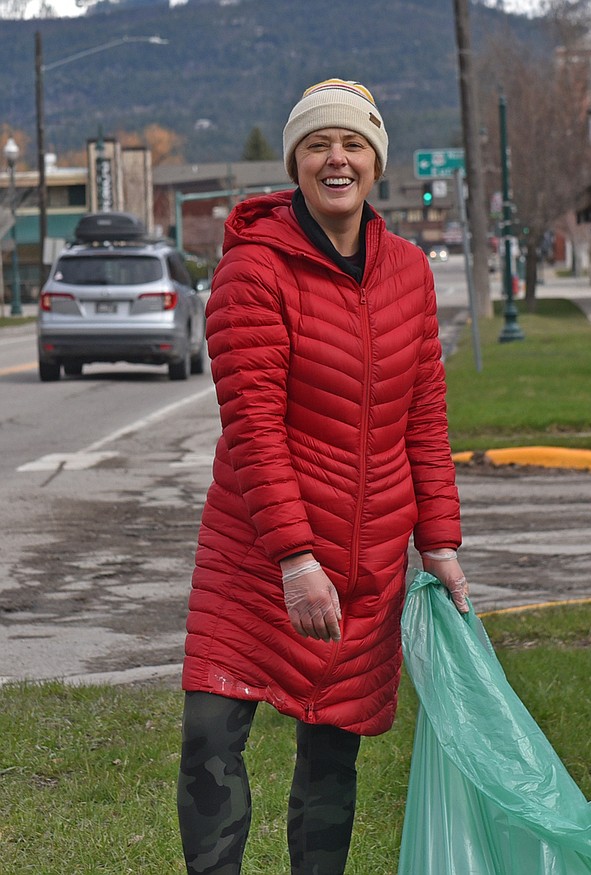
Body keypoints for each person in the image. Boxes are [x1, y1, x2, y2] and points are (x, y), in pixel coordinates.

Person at [176, 78, 469, 875]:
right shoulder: (254, 272)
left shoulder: (409, 270)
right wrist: (295, 559)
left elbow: (425, 414)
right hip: (258, 555)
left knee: (332, 751)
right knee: (211, 731)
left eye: (352, 145)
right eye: (317, 144)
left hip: (367, 557)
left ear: (375, 162)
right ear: (295, 162)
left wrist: (439, 538)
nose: (336, 159)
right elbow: (254, 427)